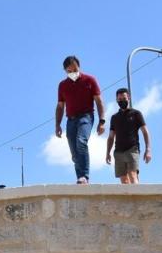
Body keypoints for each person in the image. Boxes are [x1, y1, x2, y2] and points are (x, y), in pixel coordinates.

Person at [55, 55, 106, 184]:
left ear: (79, 67)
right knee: (74, 152)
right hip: (70, 120)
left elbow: (99, 101)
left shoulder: (90, 80)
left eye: (75, 69)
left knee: (81, 141)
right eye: (69, 71)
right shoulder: (62, 85)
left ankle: (84, 176)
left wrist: (102, 121)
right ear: (65, 71)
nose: (73, 73)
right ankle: (80, 178)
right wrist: (57, 125)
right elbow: (60, 106)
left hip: (86, 116)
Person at [105, 88, 152, 184]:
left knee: (132, 174)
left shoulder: (136, 114)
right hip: (118, 151)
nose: (122, 101)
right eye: (119, 99)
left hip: (132, 149)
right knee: (124, 180)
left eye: (124, 98)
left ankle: (138, 198)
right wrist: (108, 152)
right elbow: (111, 137)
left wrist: (148, 150)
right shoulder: (114, 118)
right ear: (116, 100)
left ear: (129, 98)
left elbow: (145, 132)